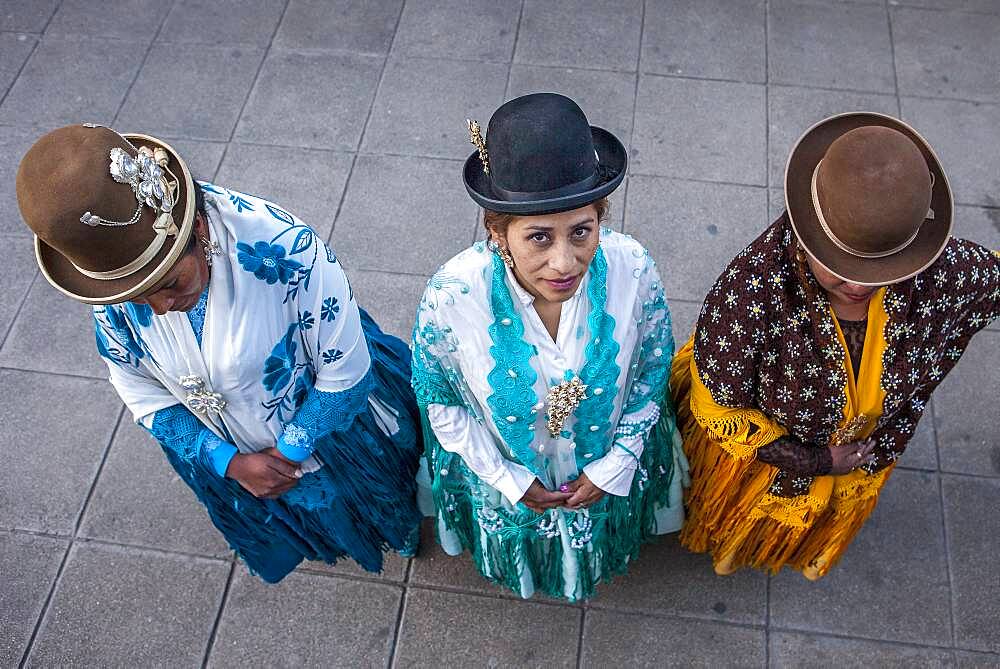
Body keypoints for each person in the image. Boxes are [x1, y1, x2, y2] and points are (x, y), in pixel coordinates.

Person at [16, 124, 422, 582]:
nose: (159, 308)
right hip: (231, 452)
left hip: (326, 430)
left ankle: (401, 532)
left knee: (377, 498)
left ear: (201, 228)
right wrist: (227, 462)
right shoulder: (116, 285)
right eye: (134, 296)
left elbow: (343, 371)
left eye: (171, 283)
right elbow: (133, 381)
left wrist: (289, 453)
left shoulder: (288, 249)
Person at [671, 112, 1000, 580]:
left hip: (864, 451)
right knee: (742, 523)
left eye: (882, 270)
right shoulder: (750, 293)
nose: (856, 285)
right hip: (770, 456)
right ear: (808, 235)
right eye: (839, 264)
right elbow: (722, 409)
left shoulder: (945, 273)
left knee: (816, 525)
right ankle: (737, 545)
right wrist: (819, 461)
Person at [411, 93, 688, 601]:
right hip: (509, 477)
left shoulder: (634, 268)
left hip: (603, 468)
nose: (564, 263)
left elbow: (652, 369)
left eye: (582, 232)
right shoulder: (452, 296)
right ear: (498, 233)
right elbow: (440, 402)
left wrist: (615, 465)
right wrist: (508, 479)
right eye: (539, 238)